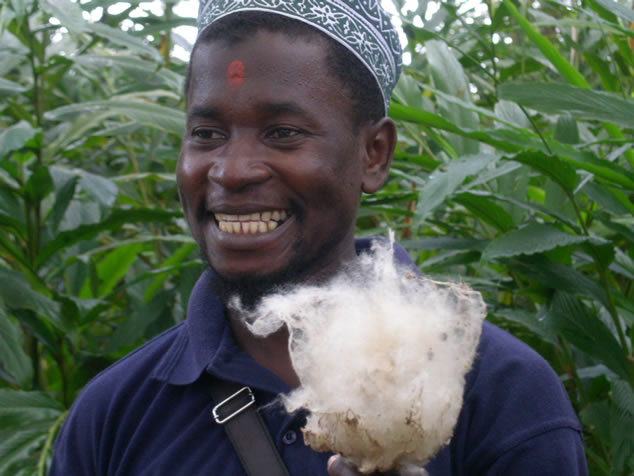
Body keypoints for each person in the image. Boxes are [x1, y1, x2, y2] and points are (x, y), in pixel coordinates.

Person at [50, 1, 588, 475]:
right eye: (207, 134)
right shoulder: (113, 414)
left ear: (374, 154)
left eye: (283, 133)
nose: (231, 171)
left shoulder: (502, 396)